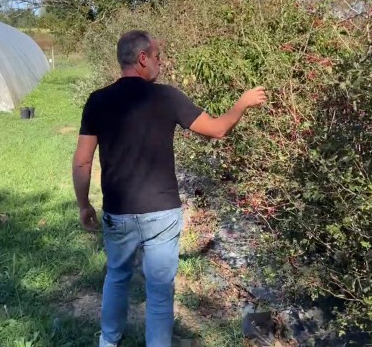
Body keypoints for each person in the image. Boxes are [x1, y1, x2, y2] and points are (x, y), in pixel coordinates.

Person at [72, 30, 267, 347]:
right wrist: (242, 103)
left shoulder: (97, 101)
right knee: (160, 289)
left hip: (118, 212)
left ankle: (108, 342)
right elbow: (217, 129)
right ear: (142, 59)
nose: (161, 63)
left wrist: (84, 204)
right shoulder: (167, 97)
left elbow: (82, 162)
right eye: (158, 56)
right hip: (161, 213)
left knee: (117, 277)